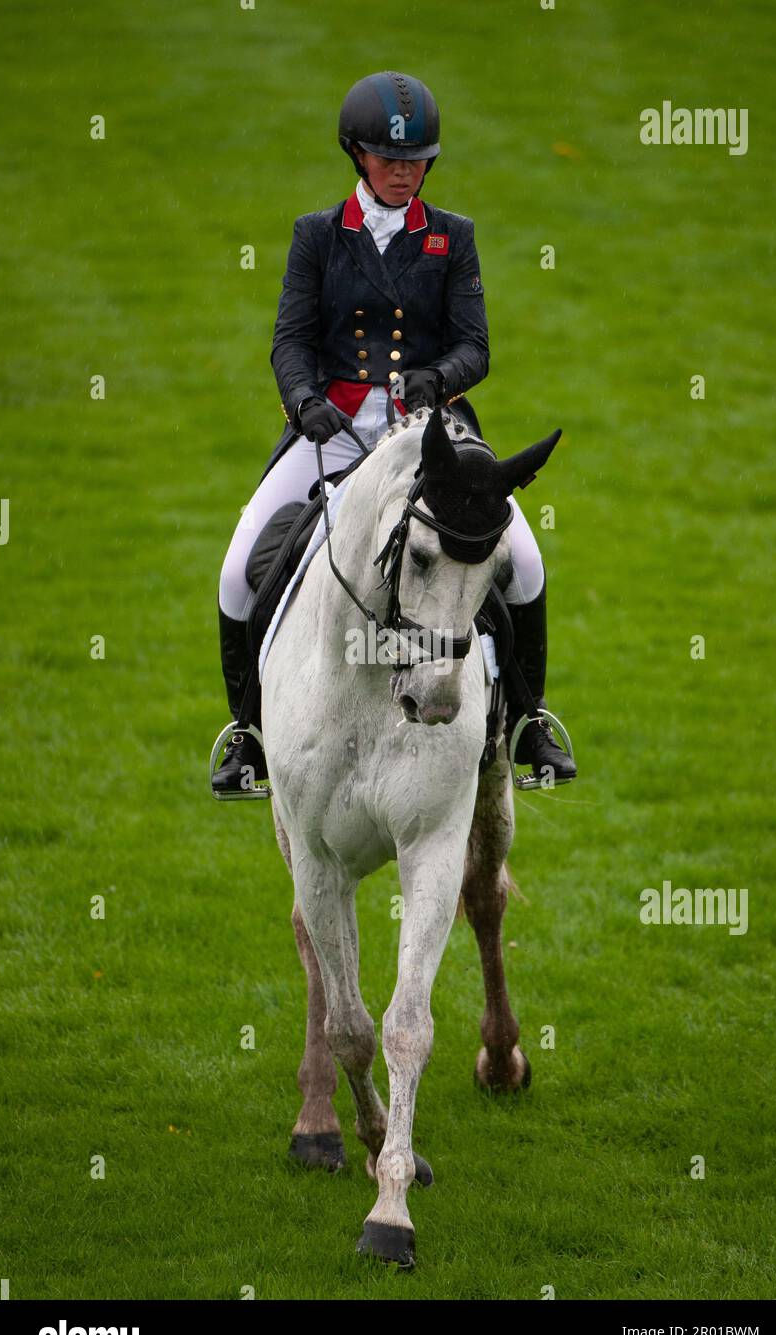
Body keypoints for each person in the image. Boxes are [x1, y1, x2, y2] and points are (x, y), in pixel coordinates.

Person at [212, 70, 576, 793]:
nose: (404, 172)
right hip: (335, 434)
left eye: (416, 161)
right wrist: (303, 399)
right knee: (235, 571)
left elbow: (477, 345)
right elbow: (290, 340)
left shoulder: (451, 239)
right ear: (357, 155)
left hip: (431, 436)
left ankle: (531, 721)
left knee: (526, 562)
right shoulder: (317, 236)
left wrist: (436, 382)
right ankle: (247, 735)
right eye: (389, 159)